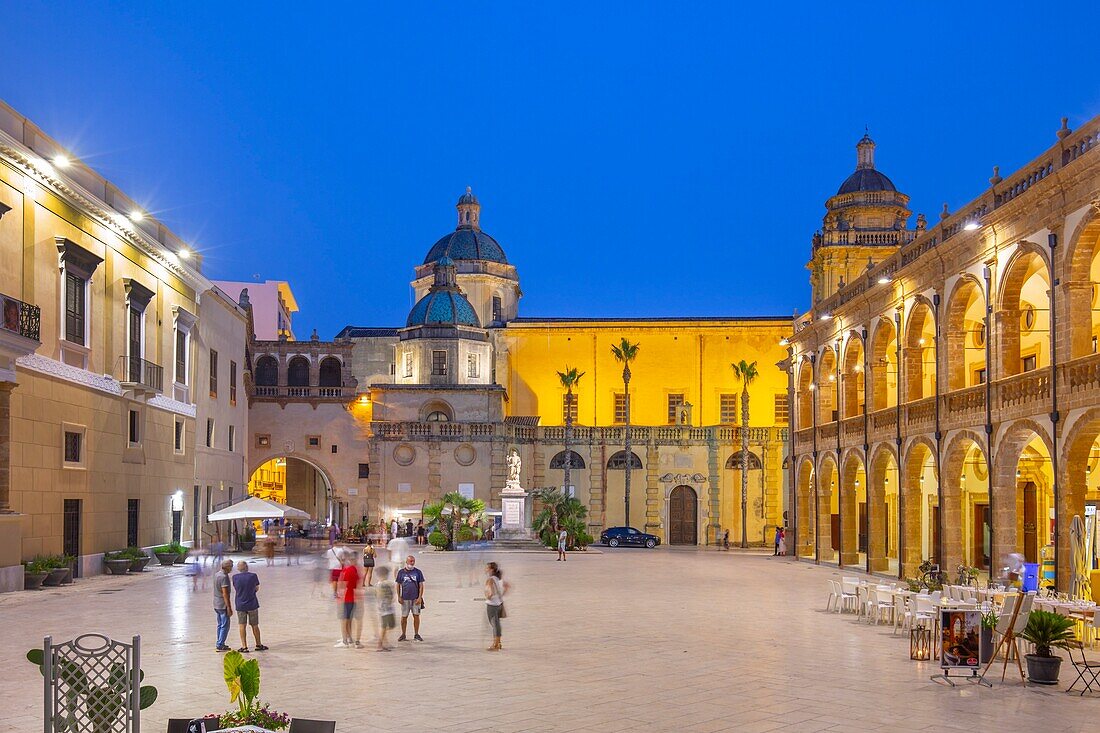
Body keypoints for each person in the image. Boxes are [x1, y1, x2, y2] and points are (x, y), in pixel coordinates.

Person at [231, 561, 267, 652]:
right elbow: (256, 588)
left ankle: (244, 646)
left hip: (240, 604)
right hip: (252, 603)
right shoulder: (253, 576)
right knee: (255, 625)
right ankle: (258, 644)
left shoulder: (234, 577)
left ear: (238, 568)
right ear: (247, 567)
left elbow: (236, 588)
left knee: (242, 625)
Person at [395, 554, 425, 641]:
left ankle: (416, 634)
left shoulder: (418, 572)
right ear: (406, 562)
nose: (412, 563)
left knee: (416, 616)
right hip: (405, 598)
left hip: (415, 598)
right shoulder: (401, 572)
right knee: (404, 616)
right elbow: (398, 584)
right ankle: (403, 634)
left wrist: (420, 597)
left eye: (413, 561)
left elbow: (421, 585)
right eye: (410, 561)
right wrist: (399, 596)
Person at [336, 551, 362, 648]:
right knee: (348, 619)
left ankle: (345, 641)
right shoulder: (355, 569)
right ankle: (349, 638)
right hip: (352, 598)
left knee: (344, 620)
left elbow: (344, 585)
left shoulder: (349, 570)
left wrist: (340, 596)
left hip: (346, 598)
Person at [484, 561, 510, 652]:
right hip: (499, 603)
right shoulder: (498, 578)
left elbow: (490, 592)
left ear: (491, 569)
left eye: (487, 568)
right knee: (497, 624)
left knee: (494, 624)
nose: (486, 569)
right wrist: (502, 595)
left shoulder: (490, 579)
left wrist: (489, 596)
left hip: (491, 604)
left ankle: (495, 644)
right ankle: (498, 643)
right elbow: (507, 586)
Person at [213, 559, 234, 652]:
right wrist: (229, 607)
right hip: (222, 604)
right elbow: (225, 593)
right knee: (225, 625)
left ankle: (219, 642)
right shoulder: (224, 577)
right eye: (231, 566)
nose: (232, 568)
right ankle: (220, 644)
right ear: (228, 567)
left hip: (216, 603)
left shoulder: (217, 574)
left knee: (220, 624)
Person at [375, 566, 396, 651]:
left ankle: (383, 640)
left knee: (390, 625)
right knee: (385, 626)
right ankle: (380, 644)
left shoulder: (379, 584)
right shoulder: (384, 585)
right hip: (385, 609)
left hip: (385, 608)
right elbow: (389, 595)